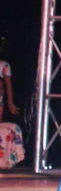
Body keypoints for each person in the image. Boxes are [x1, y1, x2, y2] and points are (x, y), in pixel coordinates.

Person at [0, 37, 24, 169]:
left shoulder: (4, 66)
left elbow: (8, 86)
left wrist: (10, 103)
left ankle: (6, 161)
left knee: (7, 129)